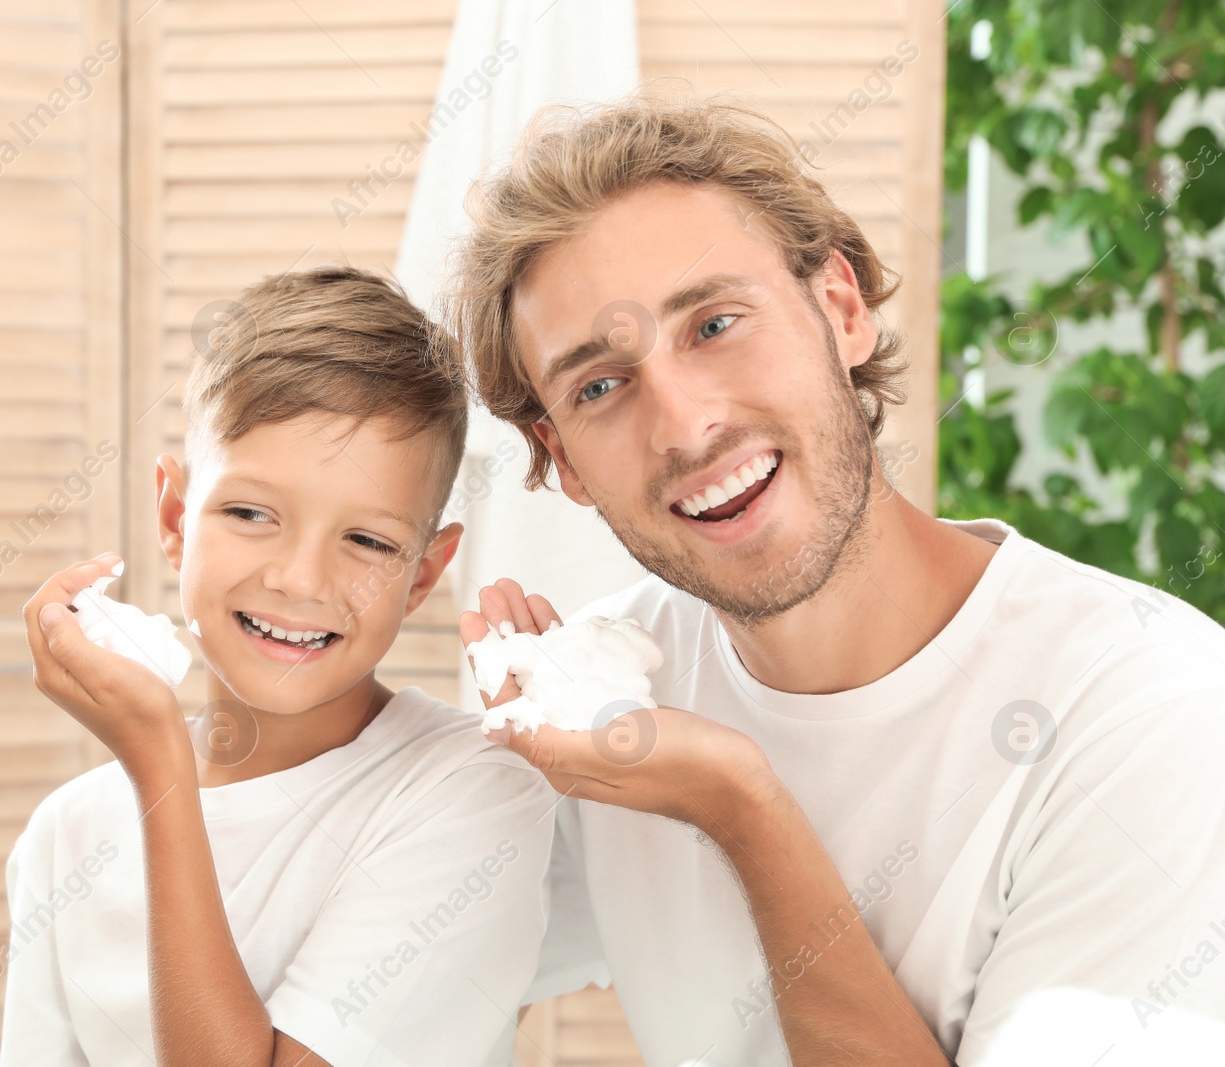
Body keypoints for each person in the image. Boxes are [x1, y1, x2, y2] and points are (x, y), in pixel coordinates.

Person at [444, 95, 1225, 1066]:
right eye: (600, 385)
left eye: (714, 323)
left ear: (840, 309)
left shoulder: (1151, 712)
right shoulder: (600, 702)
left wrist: (738, 802)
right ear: (560, 457)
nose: (685, 426)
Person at [1, 266, 556, 1066]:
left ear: (423, 576)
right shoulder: (67, 832)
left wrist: (159, 765)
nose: (300, 578)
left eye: (367, 540)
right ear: (174, 517)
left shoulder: (474, 791)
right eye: (251, 513)